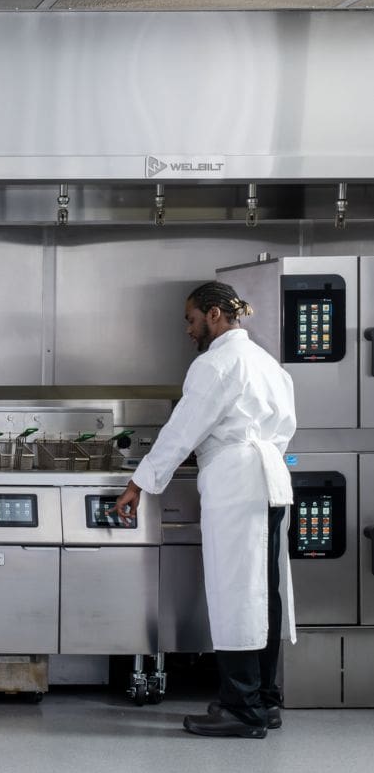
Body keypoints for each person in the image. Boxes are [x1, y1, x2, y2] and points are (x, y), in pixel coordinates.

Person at [113, 280, 296, 739]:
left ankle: (241, 708)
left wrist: (140, 481)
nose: (188, 329)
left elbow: (183, 430)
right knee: (265, 592)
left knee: (237, 591)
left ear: (214, 314)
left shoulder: (215, 363)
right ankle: (264, 700)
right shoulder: (267, 363)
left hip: (237, 481)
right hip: (271, 480)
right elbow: (285, 428)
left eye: (191, 319)